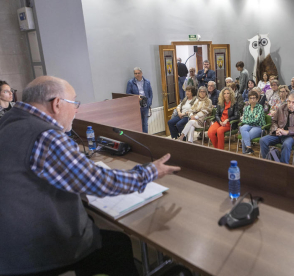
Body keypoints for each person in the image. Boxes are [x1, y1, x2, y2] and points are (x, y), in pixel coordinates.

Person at [0, 76, 180, 276]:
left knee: (91, 222)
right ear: (57, 104)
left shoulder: (8, 120)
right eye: (74, 102)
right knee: (118, 245)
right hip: (35, 252)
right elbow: (99, 182)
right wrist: (149, 172)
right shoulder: (46, 136)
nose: (77, 109)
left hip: (9, 243)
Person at [260, 93, 294, 163]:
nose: (290, 104)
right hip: (278, 134)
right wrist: (276, 130)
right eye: (289, 101)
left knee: (286, 144)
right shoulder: (281, 108)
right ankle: (268, 162)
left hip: (292, 136)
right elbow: (274, 121)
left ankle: (282, 166)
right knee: (263, 140)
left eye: (293, 102)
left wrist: (288, 131)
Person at [126, 67, 153, 133]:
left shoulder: (147, 82)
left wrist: (149, 103)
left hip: (145, 104)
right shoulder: (130, 82)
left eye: (138, 73)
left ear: (141, 73)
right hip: (136, 105)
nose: (137, 75)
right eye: (135, 73)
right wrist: (136, 97)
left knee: (145, 123)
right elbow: (128, 94)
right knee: (137, 123)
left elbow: (150, 93)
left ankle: (145, 137)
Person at [240, 89, 266, 154]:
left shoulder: (260, 107)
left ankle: (244, 154)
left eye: (254, 98)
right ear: (248, 99)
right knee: (242, 128)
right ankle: (249, 148)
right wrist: (251, 119)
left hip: (258, 126)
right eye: (251, 98)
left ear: (257, 99)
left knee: (244, 138)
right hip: (249, 126)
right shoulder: (247, 108)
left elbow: (256, 120)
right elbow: (244, 120)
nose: (252, 100)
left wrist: (248, 119)